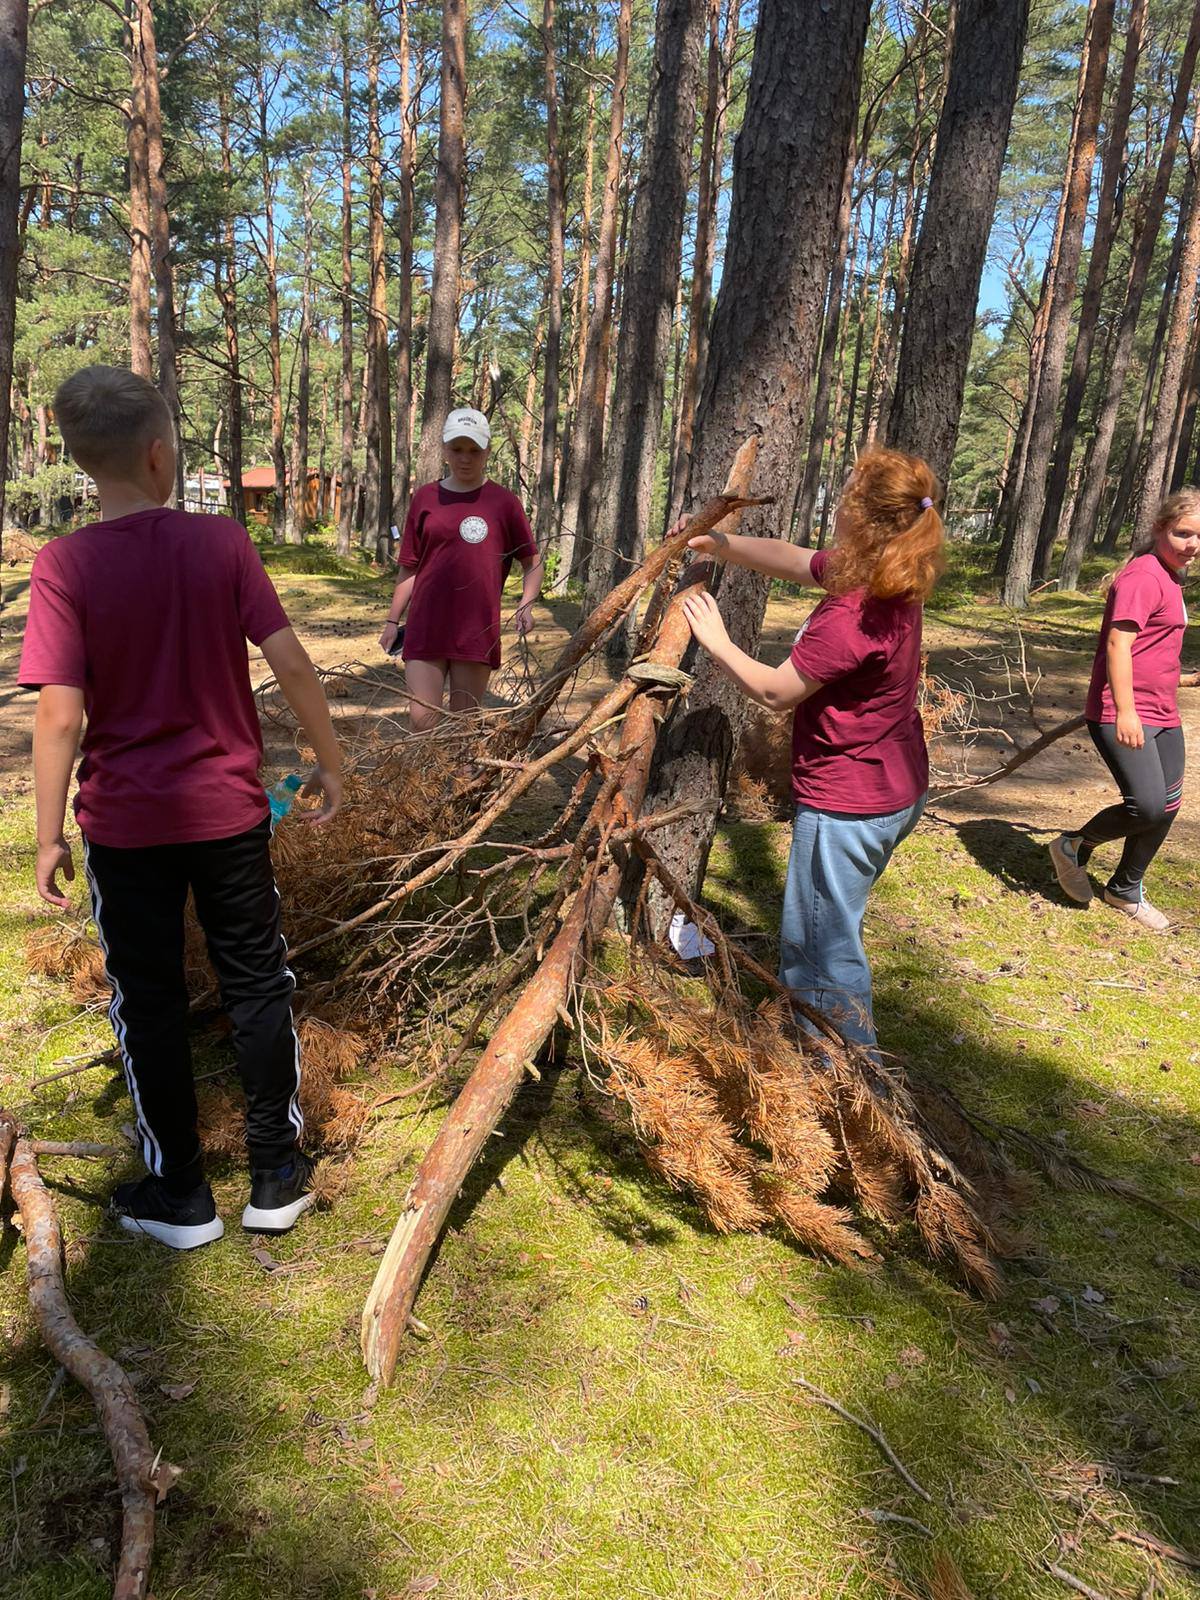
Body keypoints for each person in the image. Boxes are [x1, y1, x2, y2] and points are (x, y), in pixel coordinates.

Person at [19, 365, 343, 1250]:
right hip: (229, 815)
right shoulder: (221, 545)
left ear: (86, 464)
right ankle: (276, 1175)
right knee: (254, 981)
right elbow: (293, 662)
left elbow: (57, 711)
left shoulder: (65, 564)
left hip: (124, 828)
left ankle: (181, 1194)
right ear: (161, 456)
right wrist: (330, 763)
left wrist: (47, 837)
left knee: (149, 1000)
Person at [681, 447, 945, 1058]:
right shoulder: (884, 573)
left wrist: (717, 641)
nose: (837, 503)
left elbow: (777, 691)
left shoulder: (853, 613)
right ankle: (835, 1066)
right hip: (893, 791)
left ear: (863, 516)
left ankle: (845, 1084)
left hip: (847, 808)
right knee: (832, 930)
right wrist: (720, 543)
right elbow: (797, 561)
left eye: (848, 494)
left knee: (822, 953)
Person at [1049, 491, 1200, 932]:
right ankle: (1073, 845)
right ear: (1158, 528)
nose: (1191, 544)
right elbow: (1118, 645)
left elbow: (1151, 651)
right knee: (1148, 806)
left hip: (1163, 710)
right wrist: (1127, 712)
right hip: (1125, 712)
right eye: (1182, 533)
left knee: (1169, 804)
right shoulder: (1143, 577)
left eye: (1198, 537)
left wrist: (1185, 679)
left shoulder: (1171, 577)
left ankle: (1125, 889)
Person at [379, 407, 542, 731]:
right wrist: (391, 620)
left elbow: (531, 561)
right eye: (457, 449)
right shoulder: (425, 499)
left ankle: (465, 782)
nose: (465, 458)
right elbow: (409, 568)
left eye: (474, 450)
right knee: (422, 722)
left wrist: (526, 603)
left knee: (461, 727)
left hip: (475, 631)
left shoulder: (504, 503)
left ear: (487, 451)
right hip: (426, 626)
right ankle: (426, 784)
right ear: (444, 450)